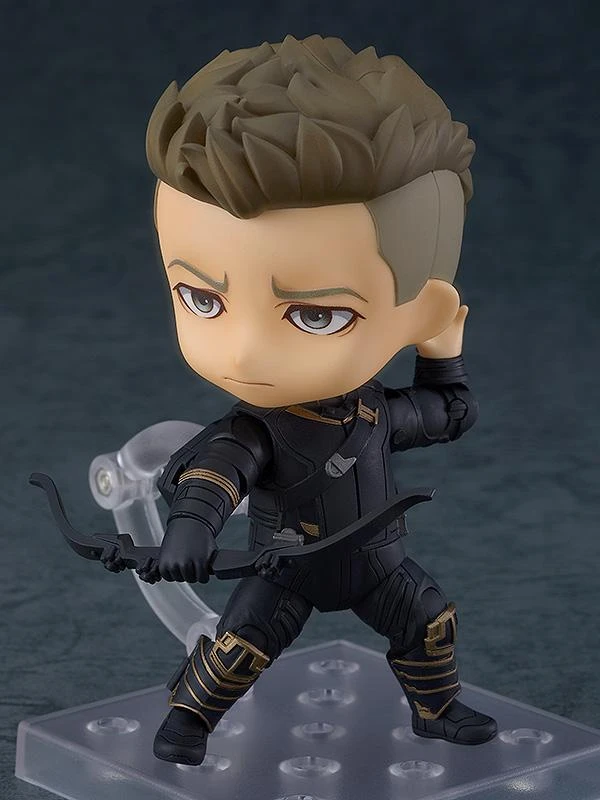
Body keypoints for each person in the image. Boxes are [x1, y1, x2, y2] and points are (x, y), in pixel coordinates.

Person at [110, 34, 498, 765]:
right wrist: (191, 529)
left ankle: (436, 709)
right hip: (283, 569)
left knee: (430, 622)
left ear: (419, 310)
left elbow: (447, 413)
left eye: (316, 314)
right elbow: (217, 473)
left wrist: (442, 350)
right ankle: (188, 720)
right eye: (202, 298)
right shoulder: (257, 430)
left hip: (379, 565)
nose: (246, 352)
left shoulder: (375, 413)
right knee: (237, 647)